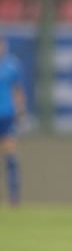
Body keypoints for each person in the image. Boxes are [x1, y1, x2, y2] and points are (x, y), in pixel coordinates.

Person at [0, 35, 25, 206]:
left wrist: (21, 111)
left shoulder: (11, 66)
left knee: (11, 156)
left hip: (6, 115)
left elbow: (18, 90)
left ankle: (14, 196)